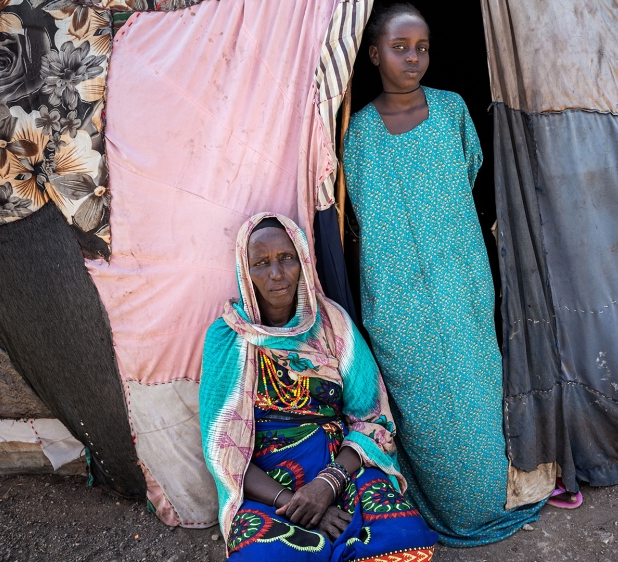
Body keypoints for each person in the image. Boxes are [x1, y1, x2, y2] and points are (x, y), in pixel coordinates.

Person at [342, 3, 579, 547]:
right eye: (400, 47)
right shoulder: (359, 133)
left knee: (478, 390)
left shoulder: (451, 110)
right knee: (423, 405)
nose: (413, 58)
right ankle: (452, 503)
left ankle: (496, 491)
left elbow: (470, 173)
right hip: (398, 298)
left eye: (421, 47)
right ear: (374, 53)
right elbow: (357, 212)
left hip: (463, 280)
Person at [199, 213, 438, 561]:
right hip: (267, 488)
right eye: (261, 263)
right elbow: (223, 451)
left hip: (340, 467)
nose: (276, 274)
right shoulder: (227, 338)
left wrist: (327, 484)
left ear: (303, 262)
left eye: (286, 258)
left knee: (405, 540)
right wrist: (294, 503)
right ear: (244, 272)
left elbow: (372, 420)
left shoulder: (333, 324)